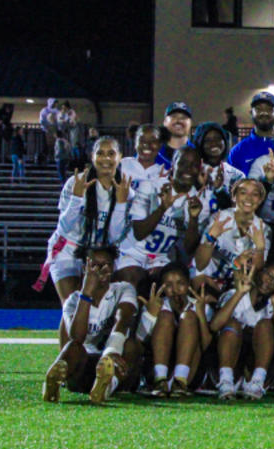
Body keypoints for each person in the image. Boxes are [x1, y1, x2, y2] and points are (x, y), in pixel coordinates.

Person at [33, 137, 132, 307]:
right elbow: (64, 228)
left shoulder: (126, 190)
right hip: (68, 248)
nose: (106, 158)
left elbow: (115, 235)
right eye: (100, 153)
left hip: (99, 254)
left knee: (97, 309)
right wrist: (76, 198)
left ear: (120, 156)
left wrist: (121, 204)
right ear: (92, 156)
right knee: (72, 307)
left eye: (111, 153)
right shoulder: (75, 182)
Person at [41, 246, 141, 405]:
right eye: (95, 265)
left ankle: (105, 387)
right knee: (74, 347)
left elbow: (123, 319)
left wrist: (111, 352)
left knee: (130, 345)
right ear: (85, 268)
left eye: (107, 264)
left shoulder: (123, 289)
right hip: (84, 366)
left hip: (114, 362)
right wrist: (86, 293)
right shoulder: (73, 300)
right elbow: (77, 337)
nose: (102, 270)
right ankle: (53, 382)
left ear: (113, 267)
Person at [115, 146, 210, 292]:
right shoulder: (151, 186)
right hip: (133, 251)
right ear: (173, 165)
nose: (188, 169)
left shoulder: (199, 201)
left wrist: (193, 219)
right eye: (182, 163)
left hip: (161, 258)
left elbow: (189, 249)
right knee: (133, 284)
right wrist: (162, 208)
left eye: (194, 165)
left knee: (170, 288)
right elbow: (139, 233)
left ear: (200, 168)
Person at [135, 263, 215, 397]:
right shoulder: (156, 304)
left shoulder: (200, 305)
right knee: (166, 316)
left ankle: (180, 382)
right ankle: (160, 381)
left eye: (180, 283)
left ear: (189, 284)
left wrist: (201, 315)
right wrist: (150, 315)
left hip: (190, 370)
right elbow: (139, 341)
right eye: (168, 285)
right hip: (158, 367)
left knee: (189, 316)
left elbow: (207, 346)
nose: (175, 289)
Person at [209, 261, 274, 400]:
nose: (270, 281)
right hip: (230, 356)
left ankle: (257, 381)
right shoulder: (233, 294)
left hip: (255, 361)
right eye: (269, 275)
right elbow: (214, 326)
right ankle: (226, 380)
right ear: (260, 273)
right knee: (232, 324)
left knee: (265, 325)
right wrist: (240, 293)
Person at [192, 178, 270, 290]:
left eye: (255, 194)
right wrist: (211, 239)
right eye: (243, 192)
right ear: (234, 197)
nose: (248, 198)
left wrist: (260, 248)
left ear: (260, 200)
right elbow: (200, 265)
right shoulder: (219, 218)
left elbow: (256, 271)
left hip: (235, 283)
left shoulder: (263, 229)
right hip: (205, 278)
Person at [191, 121, 246, 215]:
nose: (214, 143)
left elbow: (240, 211)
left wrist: (220, 189)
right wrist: (197, 184)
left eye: (218, 138)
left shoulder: (237, 176)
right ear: (199, 144)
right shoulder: (191, 172)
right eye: (207, 140)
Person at [228, 92, 274, 174]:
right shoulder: (238, 151)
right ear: (251, 112)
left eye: (269, 109)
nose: (264, 113)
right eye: (258, 109)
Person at [119, 124, 165, 193]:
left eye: (153, 141)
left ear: (160, 145)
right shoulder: (122, 165)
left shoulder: (165, 172)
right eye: (142, 140)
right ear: (135, 143)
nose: (147, 144)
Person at [158, 102, 193, 169]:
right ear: (165, 122)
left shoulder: (198, 153)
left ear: (190, 123)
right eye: (174, 116)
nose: (179, 120)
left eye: (184, 117)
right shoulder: (152, 152)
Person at [39, 98, 59, 164]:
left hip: (54, 131)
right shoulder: (45, 110)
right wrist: (47, 126)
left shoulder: (57, 111)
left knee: (55, 145)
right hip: (46, 130)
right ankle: (46, 158)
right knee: (46, 146)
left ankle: (54, 158)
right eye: (54, 103)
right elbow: (42, 120)